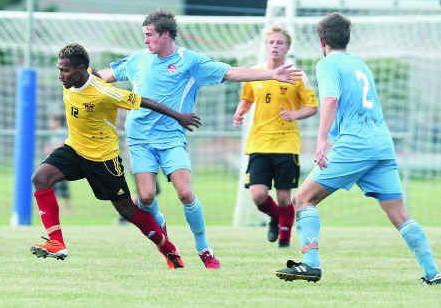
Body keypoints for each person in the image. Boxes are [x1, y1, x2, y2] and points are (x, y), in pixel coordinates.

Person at [96, 9, 302, 269]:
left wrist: (270, 74)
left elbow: (231, 73)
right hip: (138, 139)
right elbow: (105, 76)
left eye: (149, 35)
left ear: (166, 35)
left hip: (171, 138)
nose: (145, 40)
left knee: (185, 192)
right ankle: (162, 229)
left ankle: (204, 248)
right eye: (144, 35)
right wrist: (78, 76)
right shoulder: (138, 60)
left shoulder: (190, 62)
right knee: (146, 198)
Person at [275, 13, 441, 285]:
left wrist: (321, 142)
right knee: (399, 214)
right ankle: (432, 273)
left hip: (355, 144)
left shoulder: (328, 63)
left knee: (303, 199)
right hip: (381, 145)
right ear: (347, 38)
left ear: (322, 41)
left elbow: (330, 100)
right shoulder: (360, 64)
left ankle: (310, 264)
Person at [30, 43, 202, 270]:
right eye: (59, 69)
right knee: (40, 179)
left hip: (104, 160)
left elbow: (143, 101)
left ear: (81, 69)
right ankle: (57, 242)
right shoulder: (72, 81)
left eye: (65, 70)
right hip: (74, 149)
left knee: (127, 210)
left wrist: (178, 116)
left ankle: (167, 247)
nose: (60, 75)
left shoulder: (103, 91)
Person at [233, 25, 318, 248]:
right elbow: (247, 98)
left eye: (280, 43)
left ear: (288, 47)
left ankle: (284, 239)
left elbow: (312, 106)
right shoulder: (255, 73)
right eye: (271, 42)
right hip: (259, 142)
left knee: (283, 197)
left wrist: (294, 114)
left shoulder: (298, 76)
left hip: (286, 143)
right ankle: (275, 218)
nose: (275, 46)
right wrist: (240, 110)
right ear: (266, 45)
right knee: (258, 195)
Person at [44, 113, 72, 214]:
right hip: (53, 164)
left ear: (57, 122)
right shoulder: (52, 133)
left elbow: (62, 145)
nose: (50, 123)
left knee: (64, 187)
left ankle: (68, 209)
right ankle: (51, 208)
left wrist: (52, 149)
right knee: (50, 186)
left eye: (52, 121)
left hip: (61, 165)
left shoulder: (61, 132)